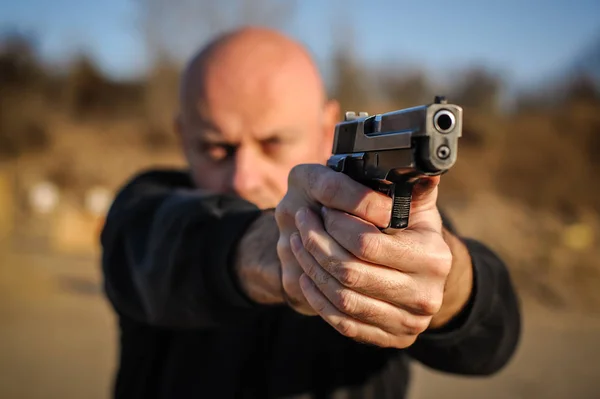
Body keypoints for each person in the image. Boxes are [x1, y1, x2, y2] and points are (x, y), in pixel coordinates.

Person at [100, 26, 521, 399]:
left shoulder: (395, 217)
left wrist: (445, 284)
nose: (244, 178)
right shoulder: (145, 207)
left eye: (273, 143)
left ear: (327, 130)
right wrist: (280, 250)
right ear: (182, 135)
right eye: (216, 148)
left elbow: (492, 338)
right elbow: (163, 247)